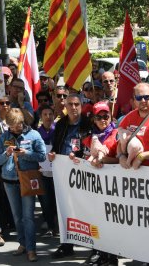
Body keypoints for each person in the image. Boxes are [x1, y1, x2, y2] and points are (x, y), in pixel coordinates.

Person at [0, 108, 46, 262]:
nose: (14, 128)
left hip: (27, 181)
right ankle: (22, 243)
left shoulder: (34, 135)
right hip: (9, 182)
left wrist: (26, 154)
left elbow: (42, 156)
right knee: (17, 217)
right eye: (11, 126)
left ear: (22, 122)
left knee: (28, 217)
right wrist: (7, 153)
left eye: (17, 125)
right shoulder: (4, 136)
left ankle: (31, 249)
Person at [48, 93, 92, 259]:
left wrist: (80, 158)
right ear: (65, 106)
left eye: (76, 104)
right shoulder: (60, 124)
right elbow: (56, 147)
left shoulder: (88, 124)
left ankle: (95, 248)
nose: (73, 108)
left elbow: (91, 147)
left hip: (83, 176)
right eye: (70, 104)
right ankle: (66, 245)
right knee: (66, 210)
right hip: (64, 175)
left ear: (81, 106)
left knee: (87, 211)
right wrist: (53, 155)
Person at [82, 101, 119, 265]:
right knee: (97, 222)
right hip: (95, 187)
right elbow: (80, 157)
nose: (103, 120)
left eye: (106, 116)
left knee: (112, 223)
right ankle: (101, 253)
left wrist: (103, 160)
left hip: (114, 187)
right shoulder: (89, 138)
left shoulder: (117, 134)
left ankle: (112, 257)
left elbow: (120, 160)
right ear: (94, 120)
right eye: (99, 117)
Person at [35, 104, 57, 237]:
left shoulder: (59, 130)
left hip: (57, 172)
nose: (48, 117)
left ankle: (58, 225)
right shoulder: (36, 133)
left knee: (56, 200)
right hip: (42, 171)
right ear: (41, 117)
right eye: (45, 114)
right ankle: (50, 226)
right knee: (45, 200)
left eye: (50, 114)